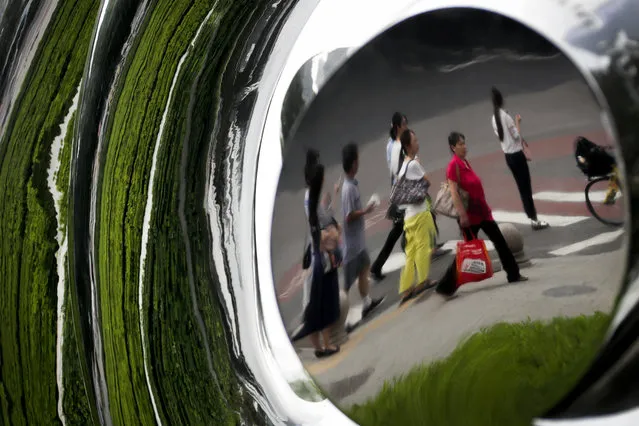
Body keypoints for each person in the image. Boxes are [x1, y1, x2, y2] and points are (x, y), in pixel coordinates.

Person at [436, 132, 528, 297]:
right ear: (453, 147)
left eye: (464, 143)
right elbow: (454, 193)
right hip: (469, 217)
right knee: (466, 253)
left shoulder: (464, 162)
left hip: (483, 213)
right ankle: (446, 286)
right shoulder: (453, 166)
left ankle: (514, 274)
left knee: (500, 242)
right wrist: (462, 215)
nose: (464, 146)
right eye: (460, 144)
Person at [296, 162, 341, 358]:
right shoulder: (311, 200)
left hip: (318, 257)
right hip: (320, 260)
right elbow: (322, 229)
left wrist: (333, 198)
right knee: (322, 302)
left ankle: (320, 347)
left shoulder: (310, 198)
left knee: (317, 303)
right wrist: (332, 235)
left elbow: (325, 216)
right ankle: (325, 345)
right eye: (321, 176)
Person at [491, 87, 549, 230]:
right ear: (501, 100)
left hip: (508, 157)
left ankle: (531, 217)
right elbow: (517, 136)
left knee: (521, 187)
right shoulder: (506, 116)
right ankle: (534, 219)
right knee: (526, 187)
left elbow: (500, 136)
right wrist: (517, 121)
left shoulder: (494, 118)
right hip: (517, 155)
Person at [341, 143, 385, 319]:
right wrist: (366, 211)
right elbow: (348, 216)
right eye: (357, 160)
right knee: (346, 284)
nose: (359, 163)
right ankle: (339, 319)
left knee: (365, 268)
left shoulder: (351, 184)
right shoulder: (348, 189)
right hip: (352, 247)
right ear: (353, 164)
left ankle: (366, 303)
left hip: (358, 243)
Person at [396, 129, 439, 304]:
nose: (418, 142)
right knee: (424, 246)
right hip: (420, 212)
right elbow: (428, 181)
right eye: (415, 140)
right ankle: (423, 281)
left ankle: (406, 289)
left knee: (411, 252)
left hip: (408, 216)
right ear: (408, 145)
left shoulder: (403, 167)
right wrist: (419, 164)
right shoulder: (413, 164)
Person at [370, 112, 409, 281]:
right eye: (405, 124)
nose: (407, 126)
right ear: (398, 127)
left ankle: (377, 265)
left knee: (401, 227)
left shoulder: (391, 143)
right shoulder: (396, 146)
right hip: (402, 193)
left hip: (399, 191)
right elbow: (397, 172)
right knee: (398, 230)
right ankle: (377, 266)